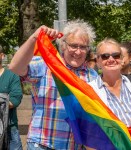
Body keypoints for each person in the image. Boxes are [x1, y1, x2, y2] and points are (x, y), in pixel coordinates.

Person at [9, 20, 98, 150]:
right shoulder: (45, 65)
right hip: (42, 145)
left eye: (83, 47)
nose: (78, 52)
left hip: (76, 146)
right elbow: (15, 67)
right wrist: (34, 37)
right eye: (73, 46)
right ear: (63, 45)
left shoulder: (92, 76)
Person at [88, 38, 131, 128]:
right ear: (98, 62)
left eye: (116, 55)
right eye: (105, 56)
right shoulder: (90, 90)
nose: (111, 59)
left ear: (122, 59)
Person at [0, 45, 23, 150]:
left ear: (2, 56)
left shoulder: (12, 75)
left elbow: (15, 99)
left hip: (9, 129)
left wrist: (5, 103)